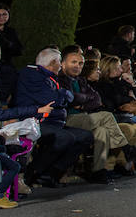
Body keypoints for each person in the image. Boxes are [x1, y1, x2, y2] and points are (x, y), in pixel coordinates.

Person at [15, 47, 95, 188]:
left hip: (54, 122)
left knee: (85, 136)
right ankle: (32, 173)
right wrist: (64, 95)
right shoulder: (32, 75)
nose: (61, 65)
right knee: (65, 138)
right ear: (53, 62)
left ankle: (51, 173)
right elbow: (54, 99)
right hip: (35, 121)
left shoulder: (49, 77)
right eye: (60, 62)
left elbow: (62, 96)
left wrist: (63, 95)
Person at [56, 45, 131, 184]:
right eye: (74, 62)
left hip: (84, 117)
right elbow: (69, 99)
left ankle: (99, 171)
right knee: (106, 116)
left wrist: (81, 102)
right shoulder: (60, 79)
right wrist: (83, 99)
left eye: (80, 63)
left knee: (102, 132)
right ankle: (124, 148)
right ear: (63, 63)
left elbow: (96, 99)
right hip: (67, 118)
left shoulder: (80, 80)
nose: (77, 66)